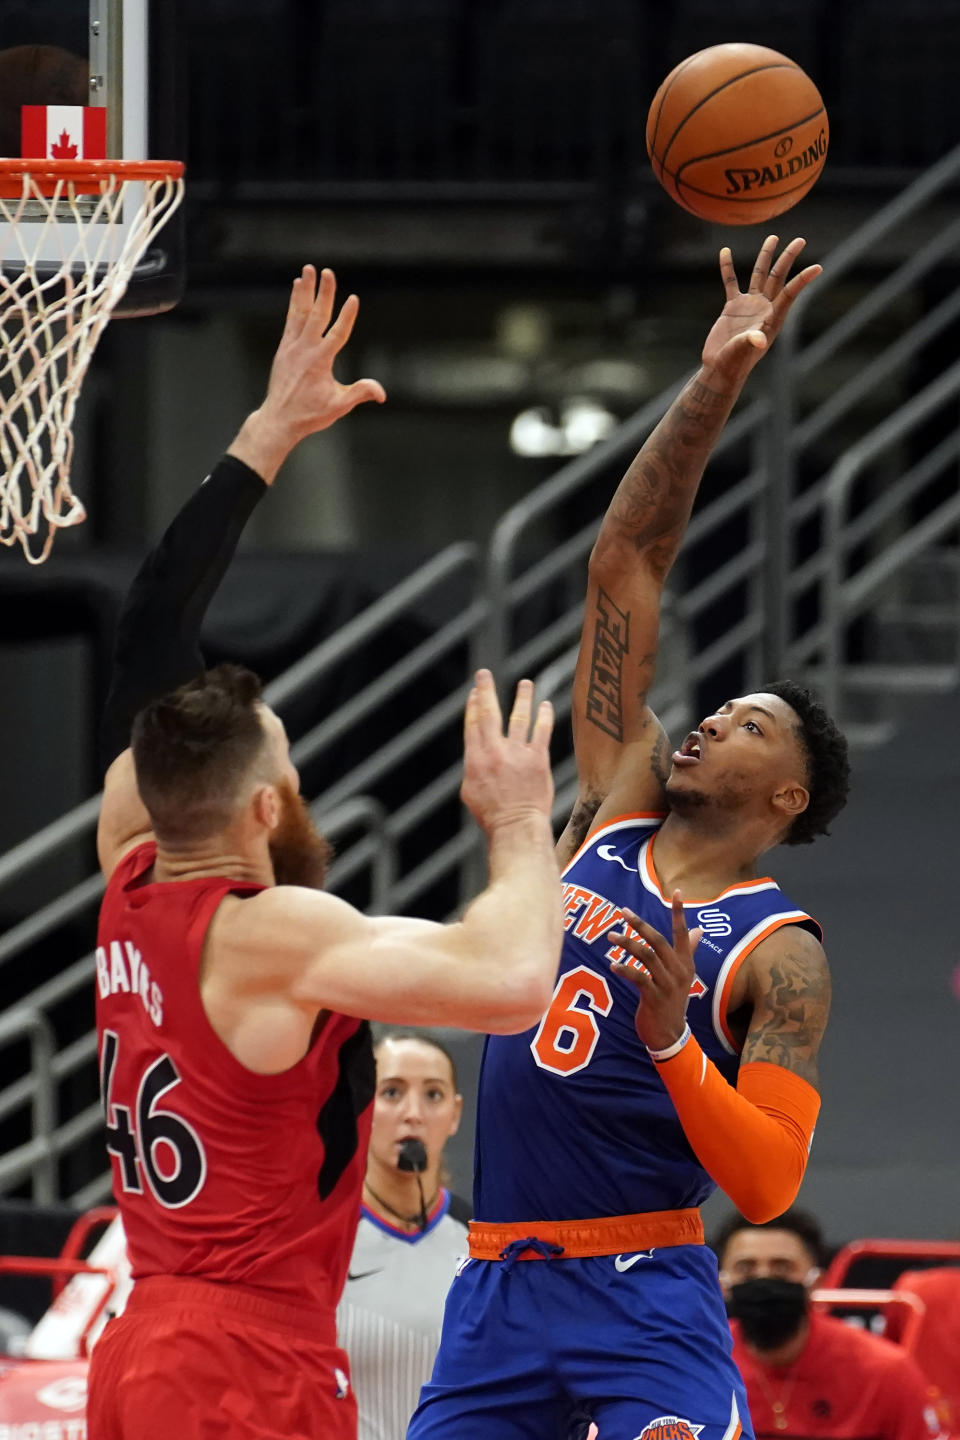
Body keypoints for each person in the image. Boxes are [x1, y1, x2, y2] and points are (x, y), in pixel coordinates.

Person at [86, 265, 564, 1440]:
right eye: (289, 769)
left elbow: (150, 628)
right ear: (261, 813)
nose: (297, 785)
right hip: (244, 1358)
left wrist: (264, 436)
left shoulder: (129, 865)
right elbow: (511, 986)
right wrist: (515, 821)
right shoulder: (272, 935)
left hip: (145, 1339)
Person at [408, 235, 851, 1440]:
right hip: (497, 1281)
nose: (713, 719)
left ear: (788, 799)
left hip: (642, 1289)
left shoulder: (779, 950)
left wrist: (671, 1045)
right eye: (720, 707)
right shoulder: (619, 800)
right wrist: (715, 381)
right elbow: (627, 560)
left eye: (752, 724)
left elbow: (766, 1184)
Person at [338, 1032, 470, 1440]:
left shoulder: (488, 1244)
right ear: (362, 1103)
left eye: (433, 1095)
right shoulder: (318, 1239)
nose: (413, 1113)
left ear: (455, 1114)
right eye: (392, 1092)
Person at [716, 1210, 945, 1440]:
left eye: (782, 1267)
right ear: (722, 1283)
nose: (763, 1279)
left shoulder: (884, 1371)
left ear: (817, 1282)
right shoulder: (703, 1363)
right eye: (746, 1268)